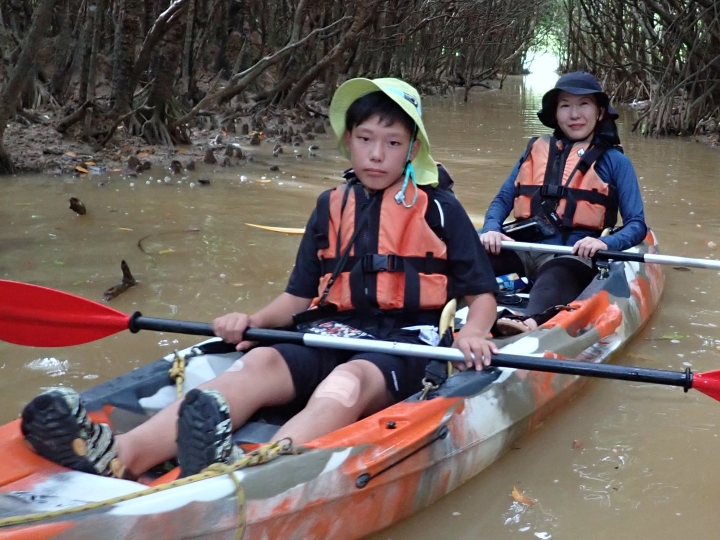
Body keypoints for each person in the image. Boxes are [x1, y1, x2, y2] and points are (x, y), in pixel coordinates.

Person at [21, 78, 499, 480]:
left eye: (392, 143)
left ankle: (260, 469)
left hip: (406, 343)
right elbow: (297, 298)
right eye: (365, 139)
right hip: (333, 329)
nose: (377, 155)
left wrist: (474, 331)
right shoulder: (330, 206)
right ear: (348, 140)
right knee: (259, 362)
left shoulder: (442, 210)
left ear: (412, 148)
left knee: (346, 382)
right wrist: (251, 320)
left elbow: (481, 295)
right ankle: (122, 453)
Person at [479, 71, 647, 336]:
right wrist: (491, 228)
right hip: (522, 248)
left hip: (572, 255)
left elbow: (637, 225)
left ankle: (527, 323)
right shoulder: (534, 151)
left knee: (554, 277)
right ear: (556, 113)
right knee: (471, 257)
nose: (574, 114)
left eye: (584, 104)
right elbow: (502, 199)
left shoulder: (616, 162)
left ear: (599, 112)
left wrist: (605, 243)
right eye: (565, 105)